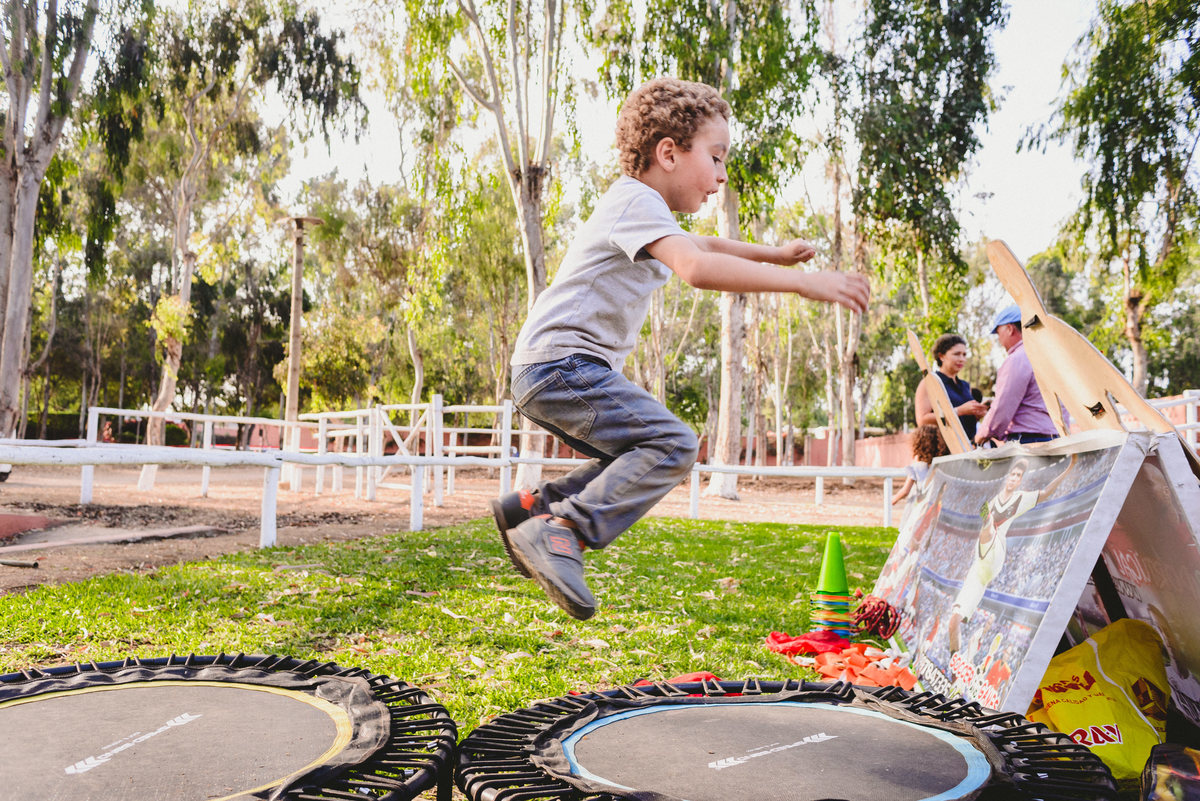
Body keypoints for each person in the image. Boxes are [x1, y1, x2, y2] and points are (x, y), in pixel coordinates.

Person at [487, 77, 871, 620]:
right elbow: (696, 266)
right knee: (673, 444)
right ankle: (564, 528)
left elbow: (707, 244)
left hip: (550, 367)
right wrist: (803, 284)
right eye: (715, 158)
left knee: (640, 454)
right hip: (561, 364)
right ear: (669, 152)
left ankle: (533, 506)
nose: (720, 176)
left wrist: (776, 255)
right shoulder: (634, 199)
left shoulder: (645, 213)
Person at [947, 454, 1078, 652]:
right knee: (954, 621)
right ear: (1007, 477)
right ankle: (953, 663)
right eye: (1012, 474)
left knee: (989, 526)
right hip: (980, 564)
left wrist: (1069, 468)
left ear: (1020, 481)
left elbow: (1045, 493)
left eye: (1018, 476)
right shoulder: (992, 501)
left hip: (995, 551)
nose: (1014, 478)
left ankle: (988, 526)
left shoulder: (1020, 498)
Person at [974, 304, 1058, 445]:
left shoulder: (1017, 359)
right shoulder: (1046, 356)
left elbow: (1003, 406)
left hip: (1028, 440)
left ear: (1009, 329)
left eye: (998, 332)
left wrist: (982, 435)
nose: (999, 340)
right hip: (1053, 436)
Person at [914, 334, 987, 442]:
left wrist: (977, 414)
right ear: (941, 356)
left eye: (964, 354)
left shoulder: (966, 386)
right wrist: (959, 411)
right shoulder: (929, 383)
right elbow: (922, 420)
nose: (962, 359)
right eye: (957, 354)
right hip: (944, 449)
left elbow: (963, 422)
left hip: (970, 446)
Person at [891, 424, 947, 505]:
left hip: (920, 507)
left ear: (918, 444)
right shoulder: (941, 466)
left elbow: (906, 491)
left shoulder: (917, 467)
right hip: (936, 506)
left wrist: (893, 499)